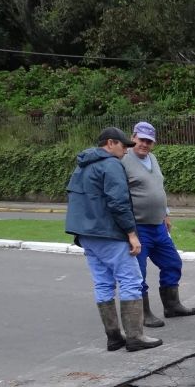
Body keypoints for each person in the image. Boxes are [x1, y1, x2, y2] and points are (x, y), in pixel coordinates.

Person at [65, 127, 162, 352]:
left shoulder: (82, 166)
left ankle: (113, 337)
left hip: (86, 235)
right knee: (131, 280)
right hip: (109, 233)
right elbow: (118, 202)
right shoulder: (111, 165)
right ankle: (135, 336)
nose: (126, 151)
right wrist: (131, 233)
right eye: (123, 146)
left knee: (103, 283)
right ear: (110, 143)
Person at [121, 121, 195, 328]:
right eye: (141, 140)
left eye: (149, 141)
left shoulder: (152, 159)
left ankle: (172, 306)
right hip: (138, 227)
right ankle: (143, 314)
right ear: (133, 137)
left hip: (158, 225)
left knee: (172, 263)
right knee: (139, 272)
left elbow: (158, 188)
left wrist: (166, 213)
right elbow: (118, 195)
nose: (145, 144)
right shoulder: (123, 160)